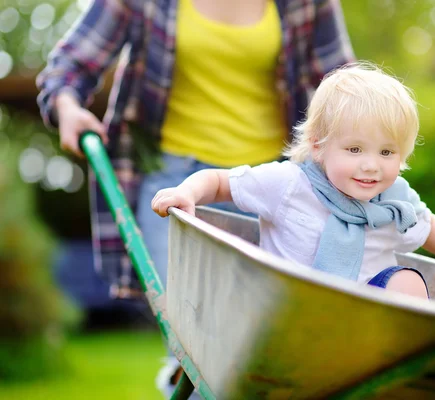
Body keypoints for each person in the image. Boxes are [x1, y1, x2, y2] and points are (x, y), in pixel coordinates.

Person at [36, 0, 354, 396]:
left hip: (272, 189)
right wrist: (66, 107)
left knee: (258, 350)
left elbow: (349, 90)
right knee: (196, 347)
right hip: (173, 188)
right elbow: (69, 68)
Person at [152, 63, 435, 303]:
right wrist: (187, 192)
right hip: (284, 310)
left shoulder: (394, 200)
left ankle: (387, 361)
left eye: (387, 152)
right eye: (355, 149)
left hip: (363, 321)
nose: (371, 166)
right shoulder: (290, 185)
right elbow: (218, 181)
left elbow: (430, 226)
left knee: (409, 282)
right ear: (319, 147)